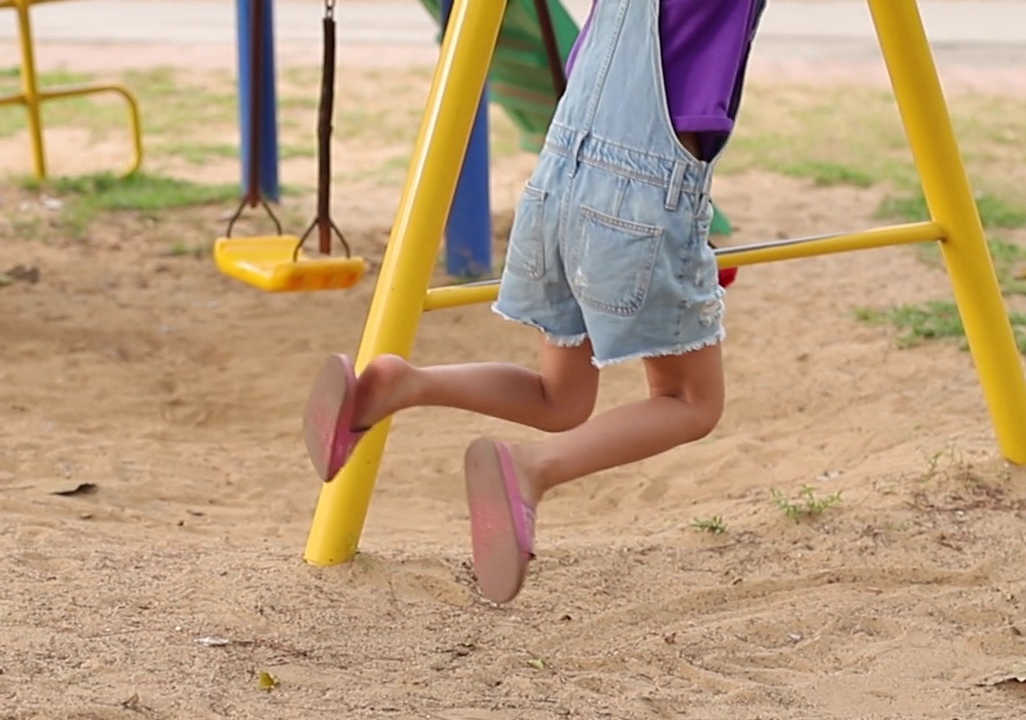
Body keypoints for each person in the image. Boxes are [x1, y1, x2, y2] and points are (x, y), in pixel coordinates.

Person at [302, 0, 766, 604]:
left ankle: (401, 383)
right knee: (688, 402)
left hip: (556, 185)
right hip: (640, 199)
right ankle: (531, 469)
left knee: (560, 397)